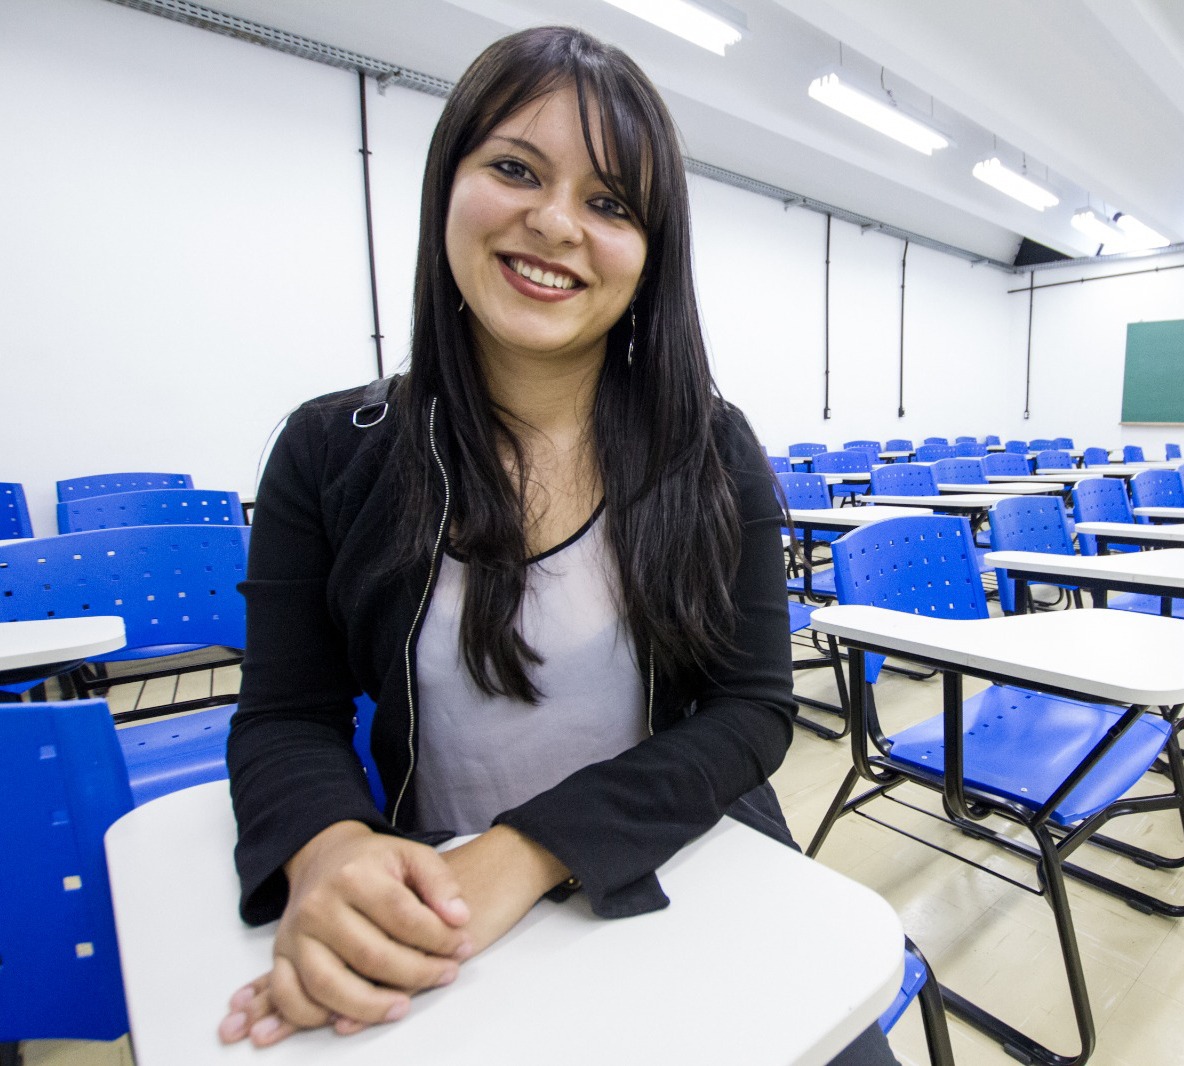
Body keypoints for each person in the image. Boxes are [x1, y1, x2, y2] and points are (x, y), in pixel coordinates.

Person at [218, 26, 898, 1064]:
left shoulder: (709, 445)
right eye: (514, 169)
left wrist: (530, 849)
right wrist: (330, 849)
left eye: (610, 202)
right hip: (442, 901)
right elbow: (285, 715)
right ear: (448, 185)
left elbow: (753, 710)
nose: (555, 224)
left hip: (686, 861)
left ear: (649, 251)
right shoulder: (329, 449)